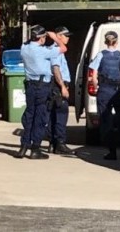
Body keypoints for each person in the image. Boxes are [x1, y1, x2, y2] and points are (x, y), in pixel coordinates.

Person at [15, 25, 67, 159]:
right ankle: (35, 148)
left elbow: (27, 42)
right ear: (41, 38)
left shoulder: (24, 48)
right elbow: (63, 48)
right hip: (42, 86)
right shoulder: (42, 51)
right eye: (44, 37)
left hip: (30, 85)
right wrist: (55, 37)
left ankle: (23, 146)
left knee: (29, 116)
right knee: (40, 117)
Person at [89, 31, 120, 160]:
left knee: (106, 121)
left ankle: (112, 152)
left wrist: (97, 87)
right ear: (117, 42)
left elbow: (94, 75)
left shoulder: (100, 55)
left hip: (105, 90)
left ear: (105, 42)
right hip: (118, 90)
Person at [47, 26, 75, 155]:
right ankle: (60, 144)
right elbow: (56, 69)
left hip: (57, 86)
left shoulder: (57, 50)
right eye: (65, 35)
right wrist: (63, 86)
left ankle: (53, 143)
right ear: (58, 36)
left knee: (54, 115)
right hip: (57, 86)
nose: (68, 38)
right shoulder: (56, 50)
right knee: (61, 115)